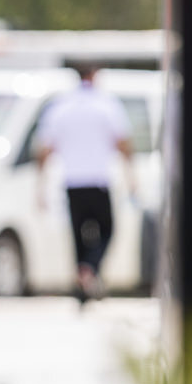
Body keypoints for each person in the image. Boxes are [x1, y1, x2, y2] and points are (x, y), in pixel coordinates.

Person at [35, 66, 134, 302]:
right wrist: (131, 175)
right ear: (94, 76)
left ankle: (82, 282)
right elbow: (123, 142)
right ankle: (89, 268)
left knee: (78, 235)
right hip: (98, 180)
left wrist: (40, 186)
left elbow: (44, 149)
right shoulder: (106, 105)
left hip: (72, 181)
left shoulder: (61, 106)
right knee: (107, 230)